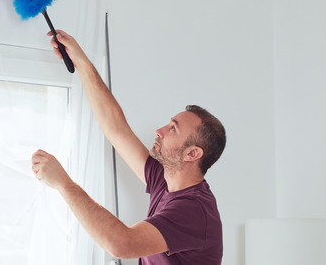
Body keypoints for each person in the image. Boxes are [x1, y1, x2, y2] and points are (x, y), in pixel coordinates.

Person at [31, 30, 226, 264]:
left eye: (173, 128)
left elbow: (120, 244)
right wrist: (80, 61)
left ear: (192, 153)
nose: (160, 130)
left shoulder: (194, 211)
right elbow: (116, 129)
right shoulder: (165, 181)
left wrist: (63, 183)